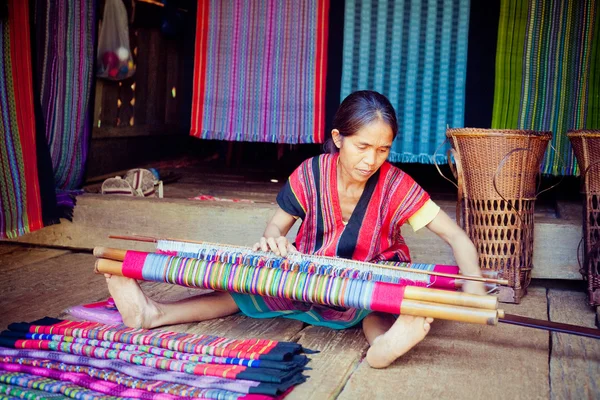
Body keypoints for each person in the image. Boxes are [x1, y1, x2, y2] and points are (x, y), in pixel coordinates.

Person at [105, 90, 485, 369]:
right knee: (242, 286)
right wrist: (274, 238)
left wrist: (474, 296)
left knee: (378, 301)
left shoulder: (396, 185)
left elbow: (456, 237)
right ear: (338, 140)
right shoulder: (310, 173)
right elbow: (276, 224)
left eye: (383, 150)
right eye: (363, 146)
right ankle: (153, 314)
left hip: (370, 276)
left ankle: (381, 347)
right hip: (308, 275)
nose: (371, 160)